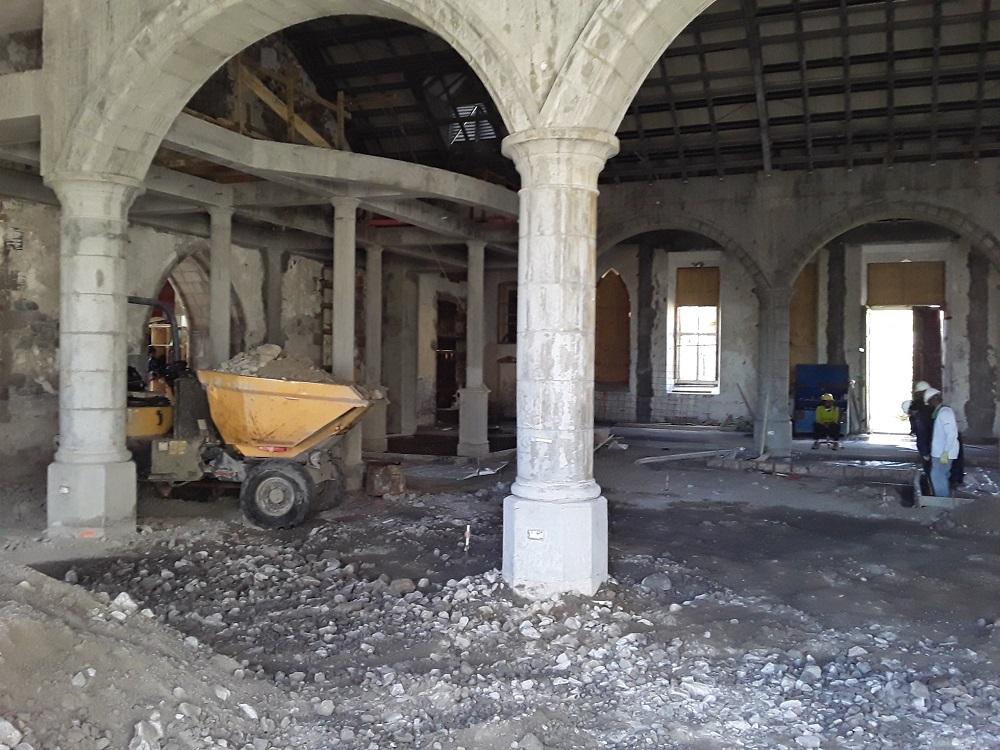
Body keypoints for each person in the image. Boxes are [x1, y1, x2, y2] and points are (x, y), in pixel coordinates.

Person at [925, 388, 959, 497]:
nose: (929, 404)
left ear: (935, 398)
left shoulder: (945, 412)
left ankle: (942, 502)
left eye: (929, 401)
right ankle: (945, 498)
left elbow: (952, 433)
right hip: (939, 452)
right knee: (942, 475)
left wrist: (946, 452)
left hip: (943, 453)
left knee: (937, 476)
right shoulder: (939, 412)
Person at [908, 381, 934, 479]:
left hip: (929, 440)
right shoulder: (931, 406)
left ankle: (930, 481)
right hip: (933, 439)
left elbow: (921, 433)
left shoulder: (920, 408)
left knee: (929, 464)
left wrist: (924, 451)